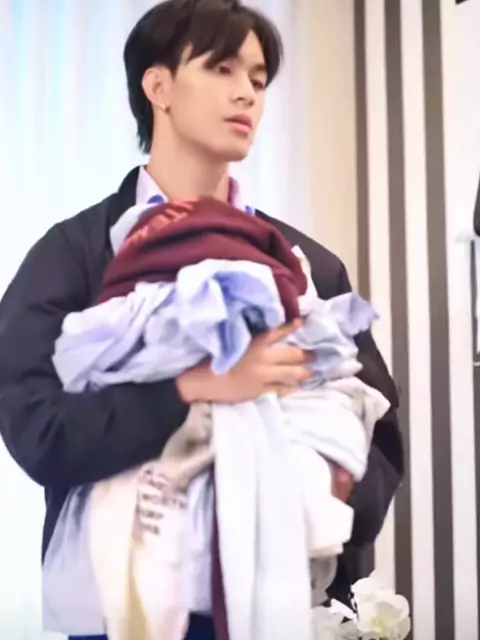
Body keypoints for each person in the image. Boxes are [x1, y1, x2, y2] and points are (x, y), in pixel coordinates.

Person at [0, 1, 403, 639]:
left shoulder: (305, 267)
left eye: (259, 79)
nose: (247, 93)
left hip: (276, 605)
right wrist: (194, 388)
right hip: (119, 610)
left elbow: (380, 436)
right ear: (157, 86)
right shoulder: (75, 255)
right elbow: (37, 429)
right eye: (222, 69)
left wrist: (326, 492)